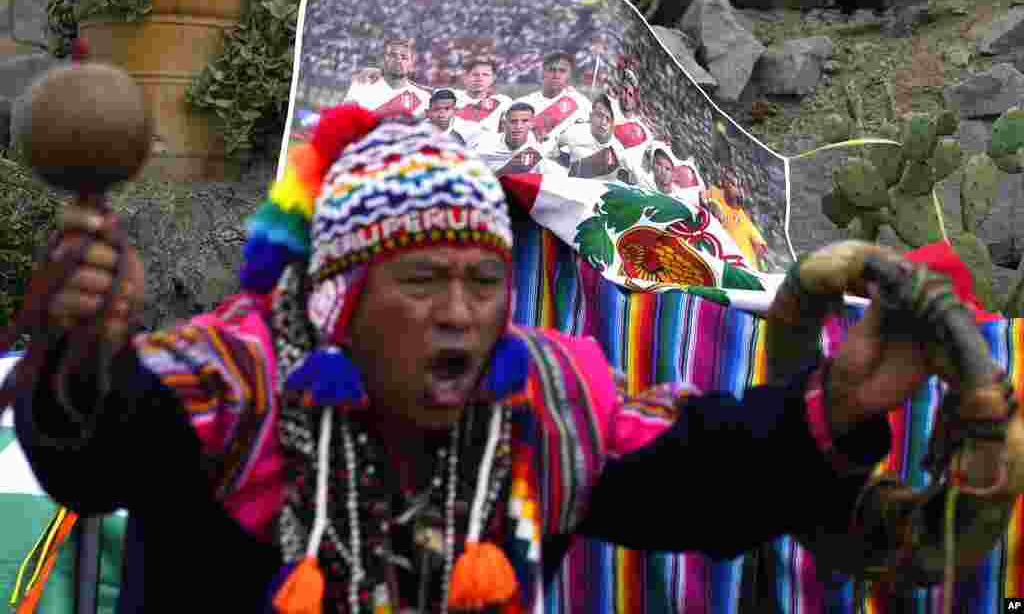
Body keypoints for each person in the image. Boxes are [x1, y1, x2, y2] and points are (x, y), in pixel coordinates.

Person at [13, 103, 951, 613]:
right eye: (422, 281)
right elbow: (95, 455)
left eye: (482, 280)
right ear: (341, 296)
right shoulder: (241, 379)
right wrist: (76, 347)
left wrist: (841, 402)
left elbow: (699, 477)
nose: (461, 315)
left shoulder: (543, 396)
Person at [515, 51, 591, 148]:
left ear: (569, 75)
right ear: (543, 73)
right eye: (551, 70)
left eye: (562, 71)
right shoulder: (524, 103)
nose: (556, 75)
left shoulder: (580, 102)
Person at [344, 37, 432, 118]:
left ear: (411, 63)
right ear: (383, 59)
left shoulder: (424, 98)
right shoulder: (361, 86)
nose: (398, 60)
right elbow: (344, 119)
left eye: (404, 57)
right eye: (392, 55)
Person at [451, 58, 512, 150]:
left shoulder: (503, 102)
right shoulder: (450, 97)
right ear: (465, 77)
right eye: (475, 74)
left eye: (485, 75)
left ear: (493, 78)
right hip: (452, 153)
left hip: (485, 157)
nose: (480, 78)